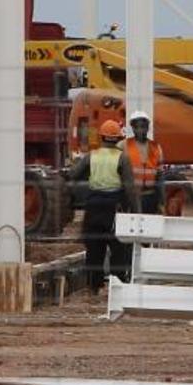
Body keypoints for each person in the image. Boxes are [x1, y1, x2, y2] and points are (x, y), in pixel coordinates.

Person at [70, 120, 139, 292]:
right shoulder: (122, 158)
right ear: (118, 139)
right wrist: (137, 211)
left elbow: (74, 175)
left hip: (93, 207)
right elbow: (130, 188)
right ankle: (117, 289)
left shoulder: (91, 156)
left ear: (101, 137)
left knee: (94, 249)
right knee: (118, 249)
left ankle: (93, 287)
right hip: (113, 208)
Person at [121, 111, 163, 214]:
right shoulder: (123, 145)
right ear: (133, 128)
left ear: (148, 127)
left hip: (150, 197)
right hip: (130, 197)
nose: (140, 130)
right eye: (137, 127)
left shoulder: (156, 147)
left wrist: (162, 201)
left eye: (143, 126)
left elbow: (160, 175)